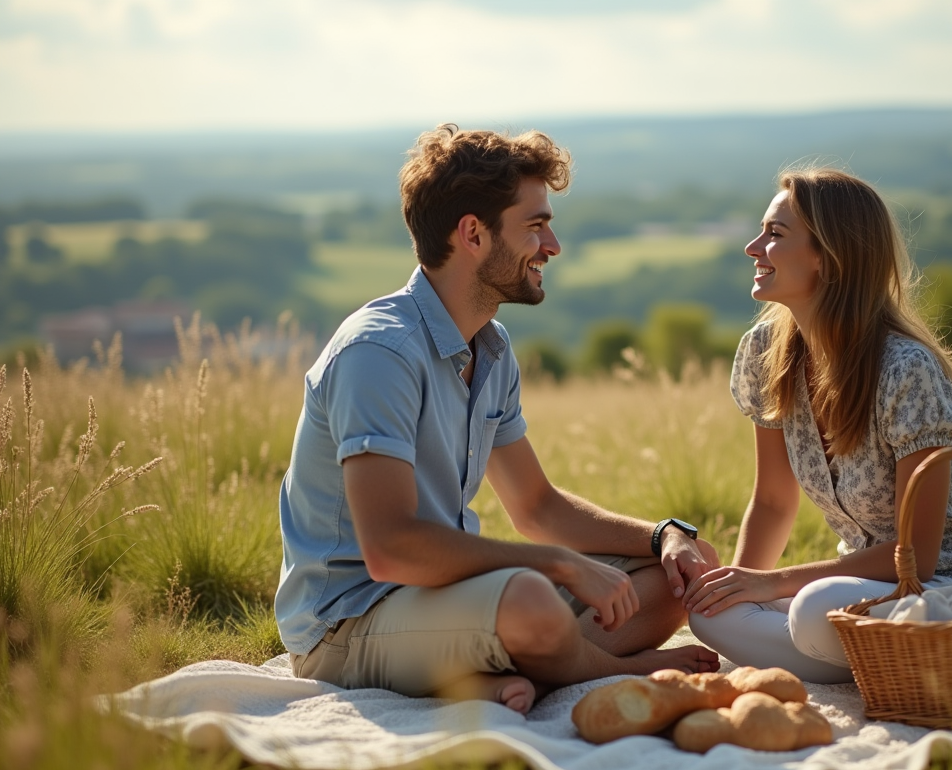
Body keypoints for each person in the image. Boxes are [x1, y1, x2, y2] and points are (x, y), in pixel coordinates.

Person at [275, 124, 719, 714]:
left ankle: (519, 666)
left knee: (680, 578)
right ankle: (608, 668)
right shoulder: (378, 354)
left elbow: (538, 506)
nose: (553, 245)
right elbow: (390, 550)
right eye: (535, 226)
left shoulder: (491, 347)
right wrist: (560, 565)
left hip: (451, 600)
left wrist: (666, 536)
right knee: (530, 600)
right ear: (473, 234)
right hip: (349, 622)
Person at [683, 167, 952, 683]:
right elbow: (774, 502)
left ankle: (870, 655)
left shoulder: (905, 369)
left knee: (813, 608)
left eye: (775, 235)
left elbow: (918, 555)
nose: (753, 247)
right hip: (865, 597)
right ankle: (882, 663)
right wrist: (741, 587)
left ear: (828, 258)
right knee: (707, 613)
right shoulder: (765, 354)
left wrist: (771, 585)